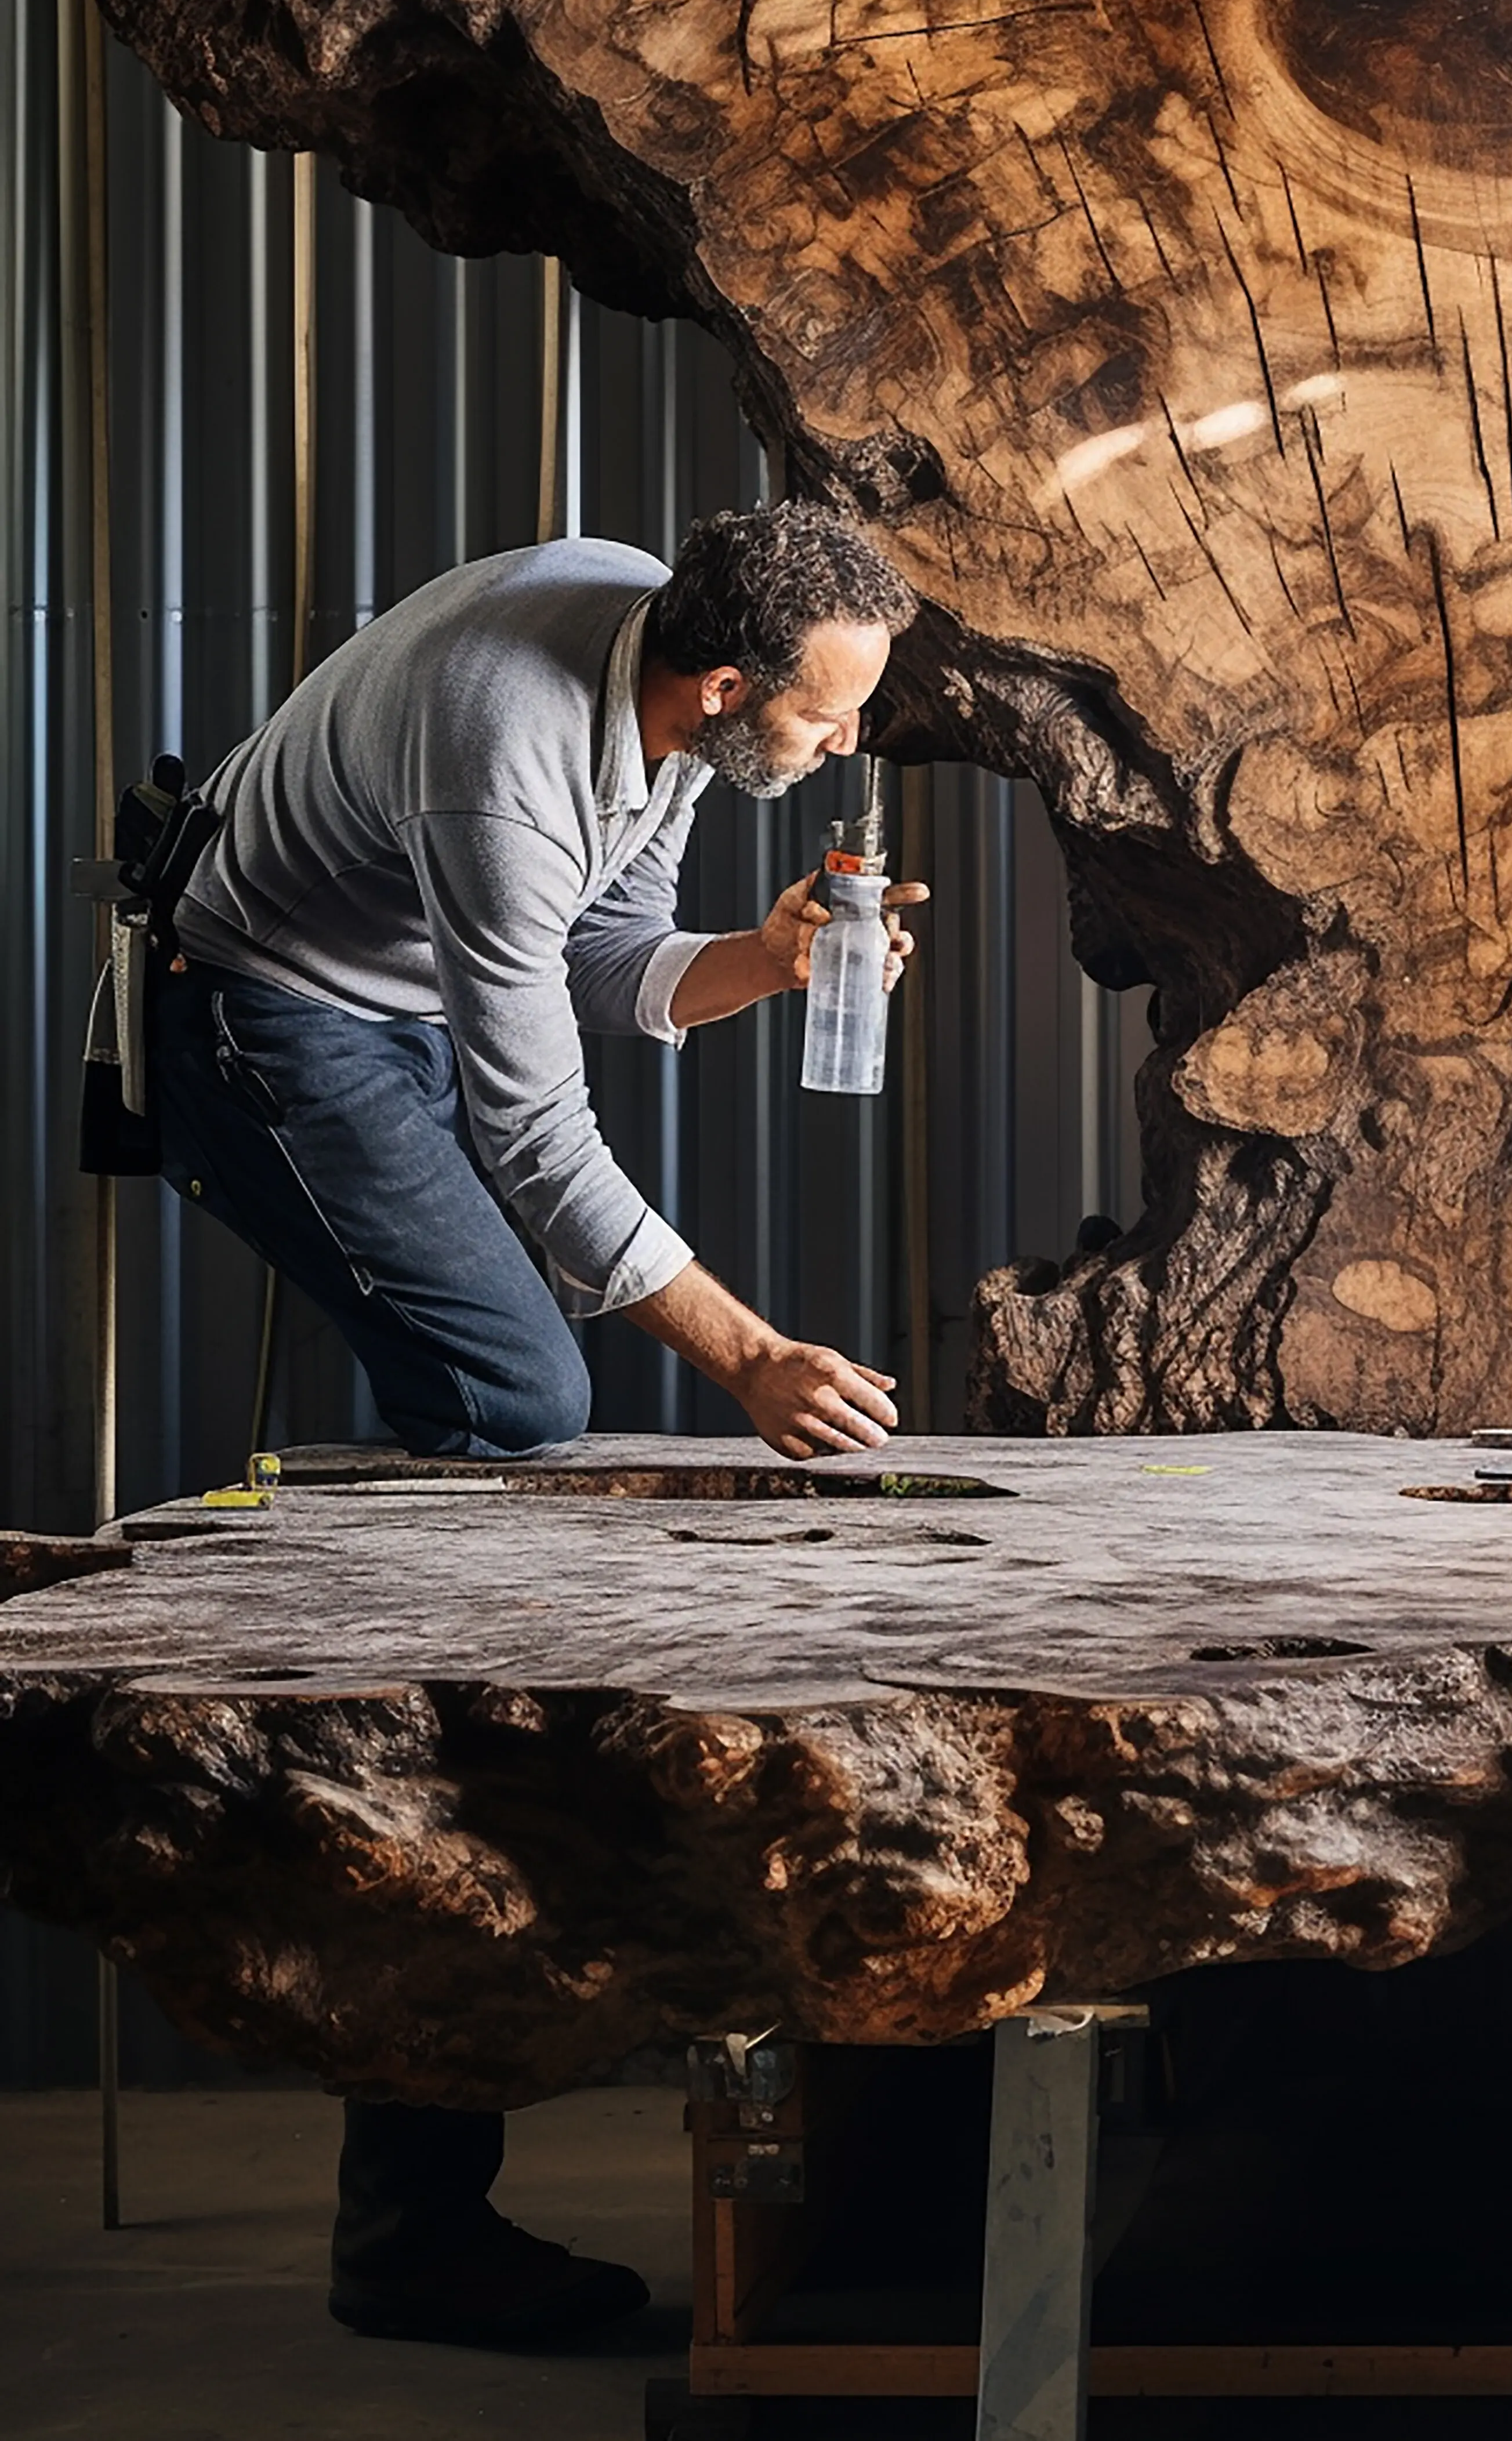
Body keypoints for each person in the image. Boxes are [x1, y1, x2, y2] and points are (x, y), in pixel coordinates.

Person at [147, 500, 927, 2346]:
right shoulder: (506, 742)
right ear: (729, 684)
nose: (843, 750)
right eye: (826, 721)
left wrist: (764, 952)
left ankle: (421, 2165)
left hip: (403, 998)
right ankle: (409, 2215)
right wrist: (745, 1355)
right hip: (264, 1021)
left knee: (510, 1433)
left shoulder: (651, 678)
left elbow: (604, 959)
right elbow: (532, 1131)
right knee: (518, 1402)